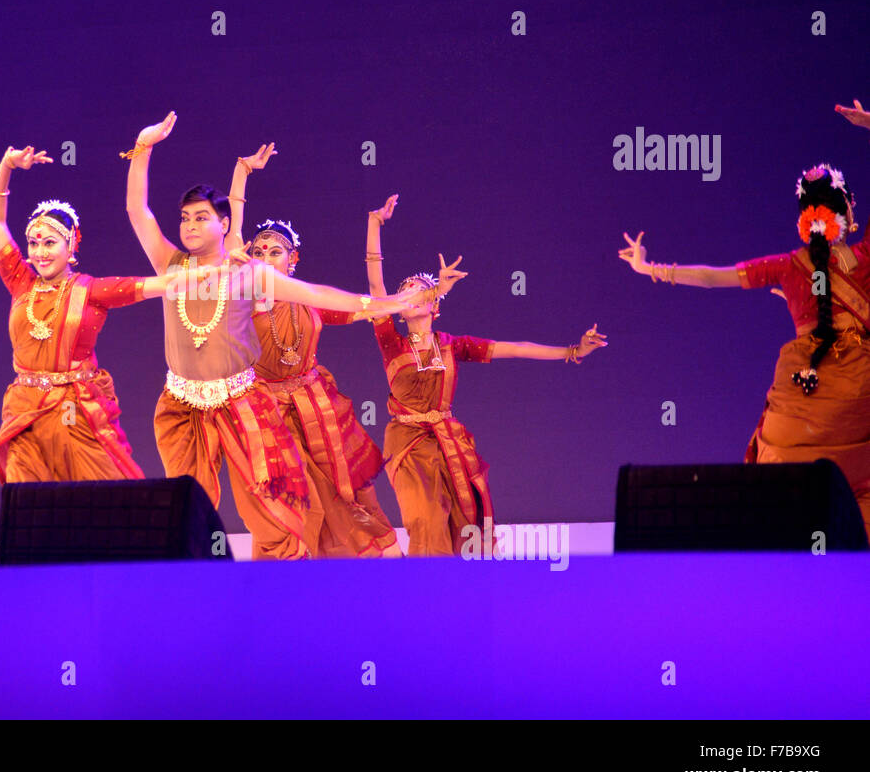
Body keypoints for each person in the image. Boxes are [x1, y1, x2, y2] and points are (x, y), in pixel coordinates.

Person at [124, 112, 422, 559]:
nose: (187, 225)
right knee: (184, 506)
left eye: (200, 217)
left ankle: (285, 594)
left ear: (223, 225)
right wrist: (142, 149)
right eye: (184, 217)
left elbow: (317, 294)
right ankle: (191, 593)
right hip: (181, 406)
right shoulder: (170, 267)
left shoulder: (248, 275)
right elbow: (137, 211)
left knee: (273, 511)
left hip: (241, 403)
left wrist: (381, 304)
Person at [620, 163, 870, 538]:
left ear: (805, 219)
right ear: (849, 210)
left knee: (789, 489)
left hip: (803, 396)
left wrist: (650, 268)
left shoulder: (788, 267)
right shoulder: (864, 258)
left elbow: (710, 277)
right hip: (858, 390)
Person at [368, 195, 607, 556]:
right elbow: (374, 288)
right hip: (408, 443)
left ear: (434, 305)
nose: (408, 296)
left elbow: (516, 347)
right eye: (402, 294)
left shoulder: (453, 345)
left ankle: (462, 596)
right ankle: (422, 595)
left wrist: (572, 351)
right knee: (425, 520)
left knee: (465, 522)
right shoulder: (391, 342)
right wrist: (375, 224)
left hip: (449, 441)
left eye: (419, 291)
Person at [0, 145, 211, 484]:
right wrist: (6, 166)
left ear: (71, 245)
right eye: (33, 243)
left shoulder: (92, 291)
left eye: (49, 242)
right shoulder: (21, 283)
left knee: (102, 499)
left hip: (79, 413)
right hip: (25, 413)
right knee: (27, 496)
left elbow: (158, 284)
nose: (39, 252)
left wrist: (214, 273)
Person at [224, 152, 401, 556]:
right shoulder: (239, 298)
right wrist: (242, 172)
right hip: (266, 414)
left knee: (341, 498)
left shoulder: (310, 303)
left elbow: (368, 304)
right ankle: (289, 585)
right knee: (295, 502)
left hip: (317, 409)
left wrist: (374, 230)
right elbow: (231, 234)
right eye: (260, 251)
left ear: (292, 260)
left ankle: (349, 581)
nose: (266, 258)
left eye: (275, 252)